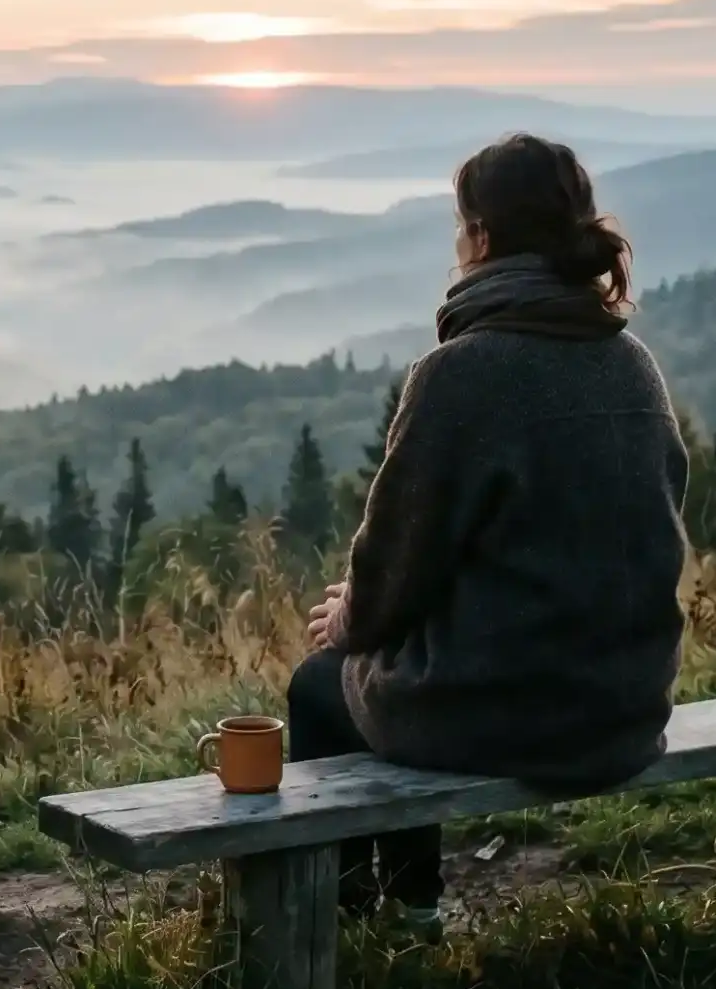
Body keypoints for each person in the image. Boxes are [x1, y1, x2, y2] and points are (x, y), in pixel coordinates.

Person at [292, 133, 689, 932]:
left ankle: (354, 916)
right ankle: (414, 905)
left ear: (478, 237)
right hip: (627, 706)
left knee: (322, 681)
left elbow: (394, 568)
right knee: (387, 664)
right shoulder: (632, 362)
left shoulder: (461, 373)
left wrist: (347, 620)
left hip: (515, 715)